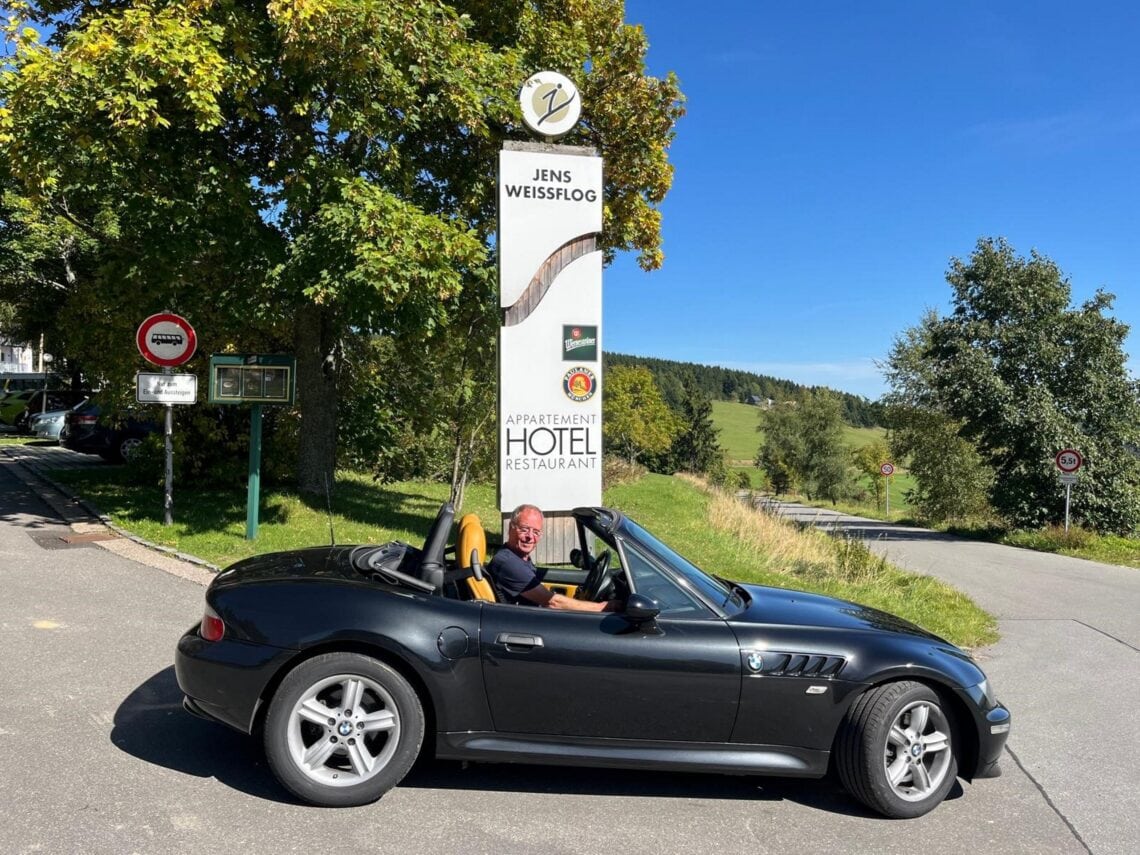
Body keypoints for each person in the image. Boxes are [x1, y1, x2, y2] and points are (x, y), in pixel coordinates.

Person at [489, 504, 621, 611]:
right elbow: (553, 602)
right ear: (511, 528)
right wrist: (603, 607)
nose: (530, 536)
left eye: (536, 532)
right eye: (524, 529)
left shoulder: (518, 557)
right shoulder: (509, 563)